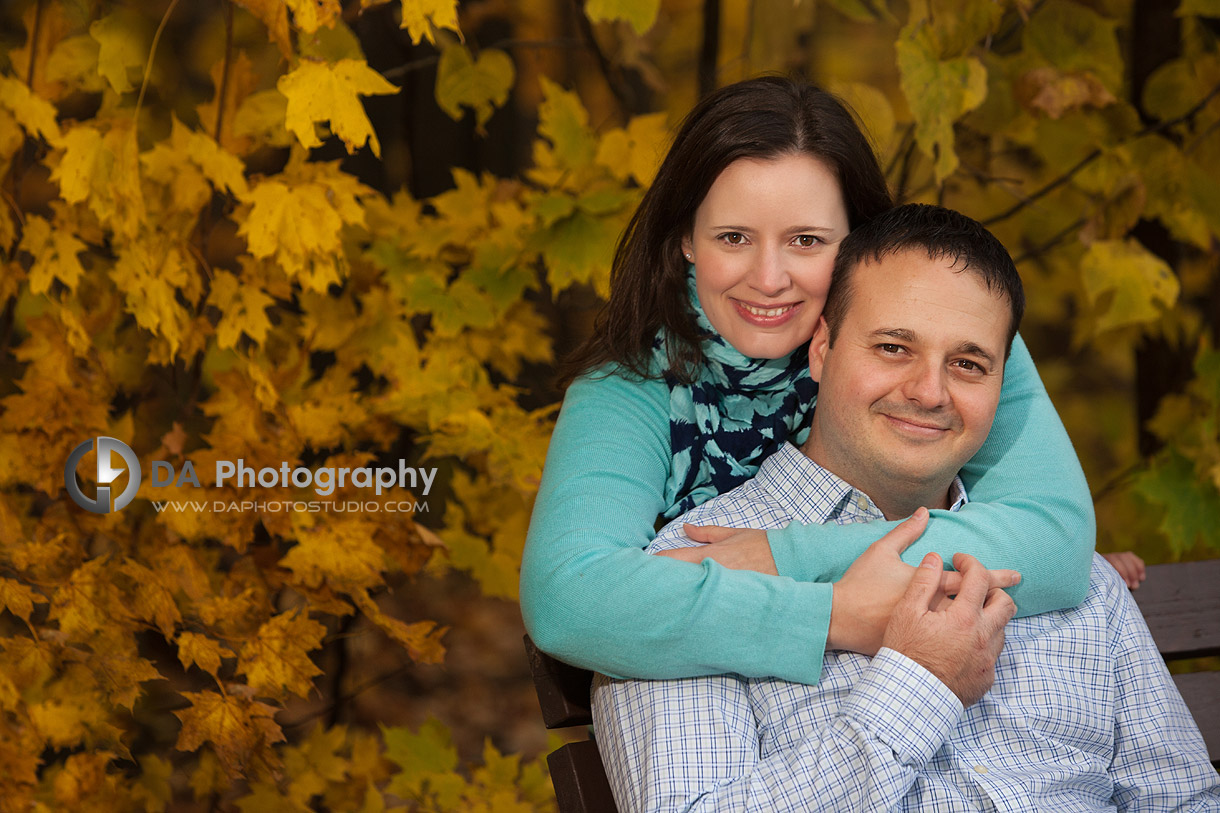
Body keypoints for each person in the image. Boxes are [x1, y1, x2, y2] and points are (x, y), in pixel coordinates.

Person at [592, 204, 1219, 811]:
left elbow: (1186, 799)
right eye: (893, 347)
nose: (928, 392)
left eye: (969, 364)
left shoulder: (1072, 580)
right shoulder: (686, 580)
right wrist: (917, 687)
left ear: (1004, 384)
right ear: (821, 348)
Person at [521, 75, 1096, 685]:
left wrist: (782, 555)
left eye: (806, 241)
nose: (770, 279)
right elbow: (569, 596)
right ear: (686, 237)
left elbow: (1055, 539)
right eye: (733, 237)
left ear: (856, 240)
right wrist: (835, 614)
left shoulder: (939, 336)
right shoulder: (633, 382)